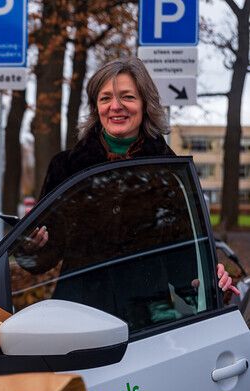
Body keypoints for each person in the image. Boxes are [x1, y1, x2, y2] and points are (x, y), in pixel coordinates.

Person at [27, 56, 238, 298]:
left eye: (127, 97)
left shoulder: (172, 173)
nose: (115, 106)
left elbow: (188, 256)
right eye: (105, 98)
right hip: (80, 314)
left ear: (145, 104)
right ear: (96, 107)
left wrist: (212, 274)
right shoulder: (65, 167)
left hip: (150, 318)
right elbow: (42, 258)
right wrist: (32, 246)